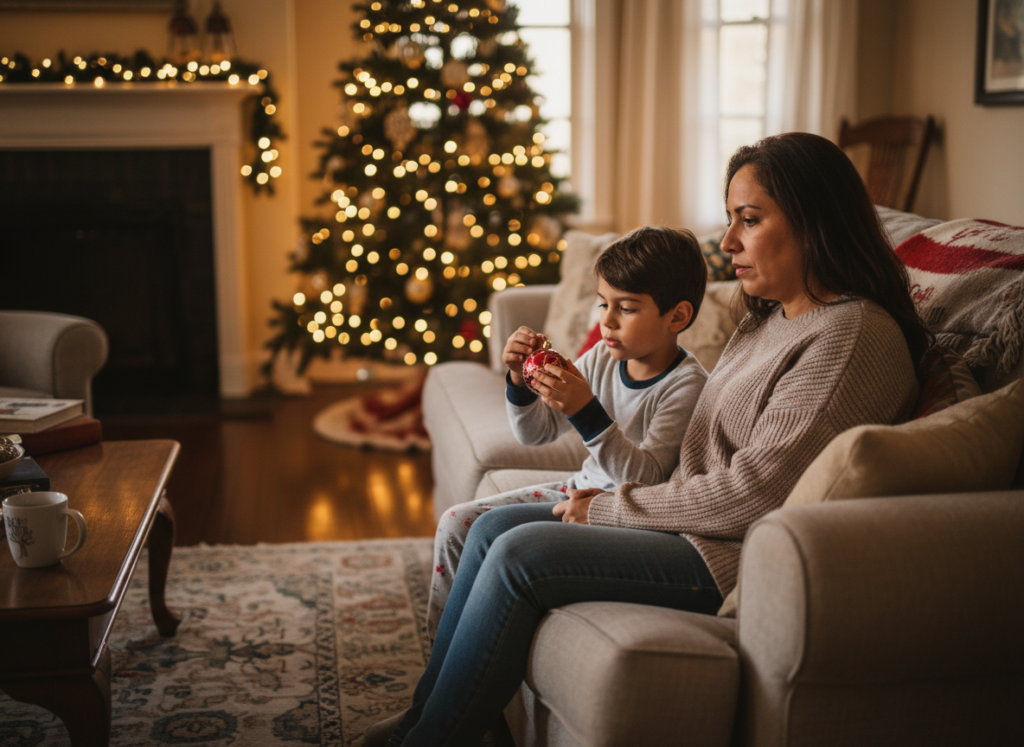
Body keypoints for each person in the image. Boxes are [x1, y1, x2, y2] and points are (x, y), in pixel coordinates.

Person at [370, 132, 930, 747]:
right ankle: (423, 719)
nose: (728, 243)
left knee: (519, 556)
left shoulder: (848, 336)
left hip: (726, 553)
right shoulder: (771, 316)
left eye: (749, 220)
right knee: (482, 531)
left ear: (812, 222)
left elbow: (757, 494)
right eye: (729, 220)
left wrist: (609, 508)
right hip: (688, 521)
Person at [425, 226, 710, 639]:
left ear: (677, 316)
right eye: (603, 304)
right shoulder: (602, 358)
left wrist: (588, 412)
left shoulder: (686, 387)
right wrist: (519, 383)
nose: (606, 322)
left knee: (486, 534)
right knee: (456, 523)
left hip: (619, 511)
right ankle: (443, 652)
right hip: (575, 488)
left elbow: (646, 477)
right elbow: (535, 434)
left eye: (626, 308)